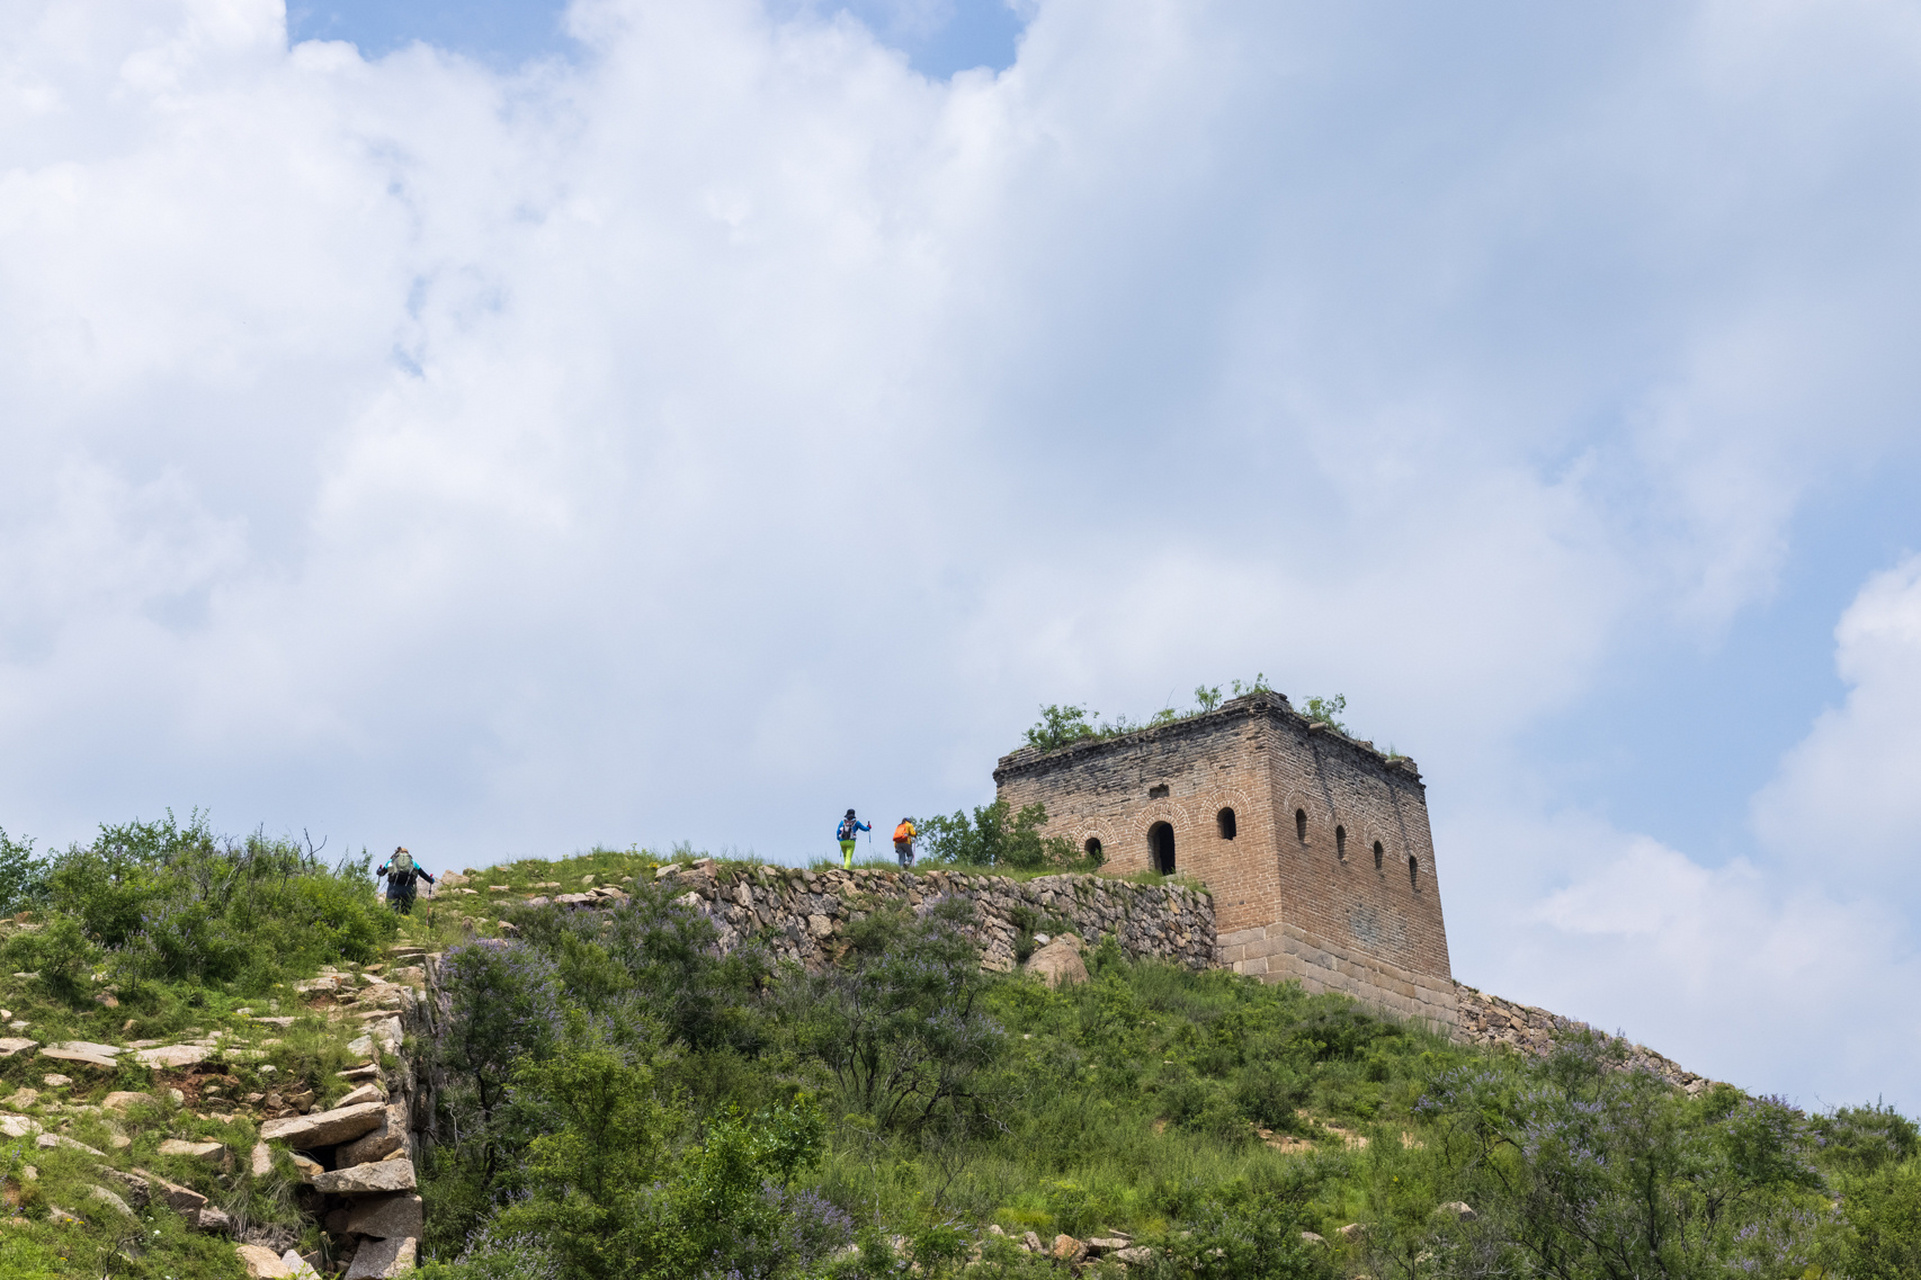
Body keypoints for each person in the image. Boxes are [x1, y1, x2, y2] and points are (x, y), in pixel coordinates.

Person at [377, 846, 435, 914]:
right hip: (408, 890)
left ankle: (393, 923)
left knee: (392, 913)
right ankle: (404, 922)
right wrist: (432, 880)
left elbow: (381, 873)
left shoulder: (391, 861)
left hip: (393, 889)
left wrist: (379, 869)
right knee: (405, 914)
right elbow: (424, 875)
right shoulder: (412, 862)